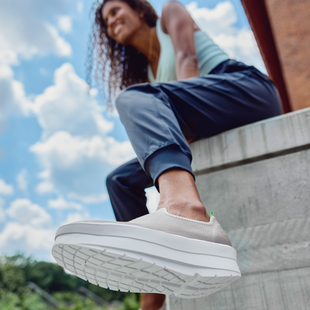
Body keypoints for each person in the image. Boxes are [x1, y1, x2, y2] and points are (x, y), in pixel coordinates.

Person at [53, 1, 282, 309]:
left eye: (116, 11)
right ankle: (152, 285)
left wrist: (177, 120)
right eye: (106, 21)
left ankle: (183, 206)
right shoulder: (148, 74)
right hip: (204, 125)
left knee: (133, 99)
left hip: (246, 93)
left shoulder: (169, 16)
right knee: (118, 180)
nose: (111, 22)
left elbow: (188, 59)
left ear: (139, 10)